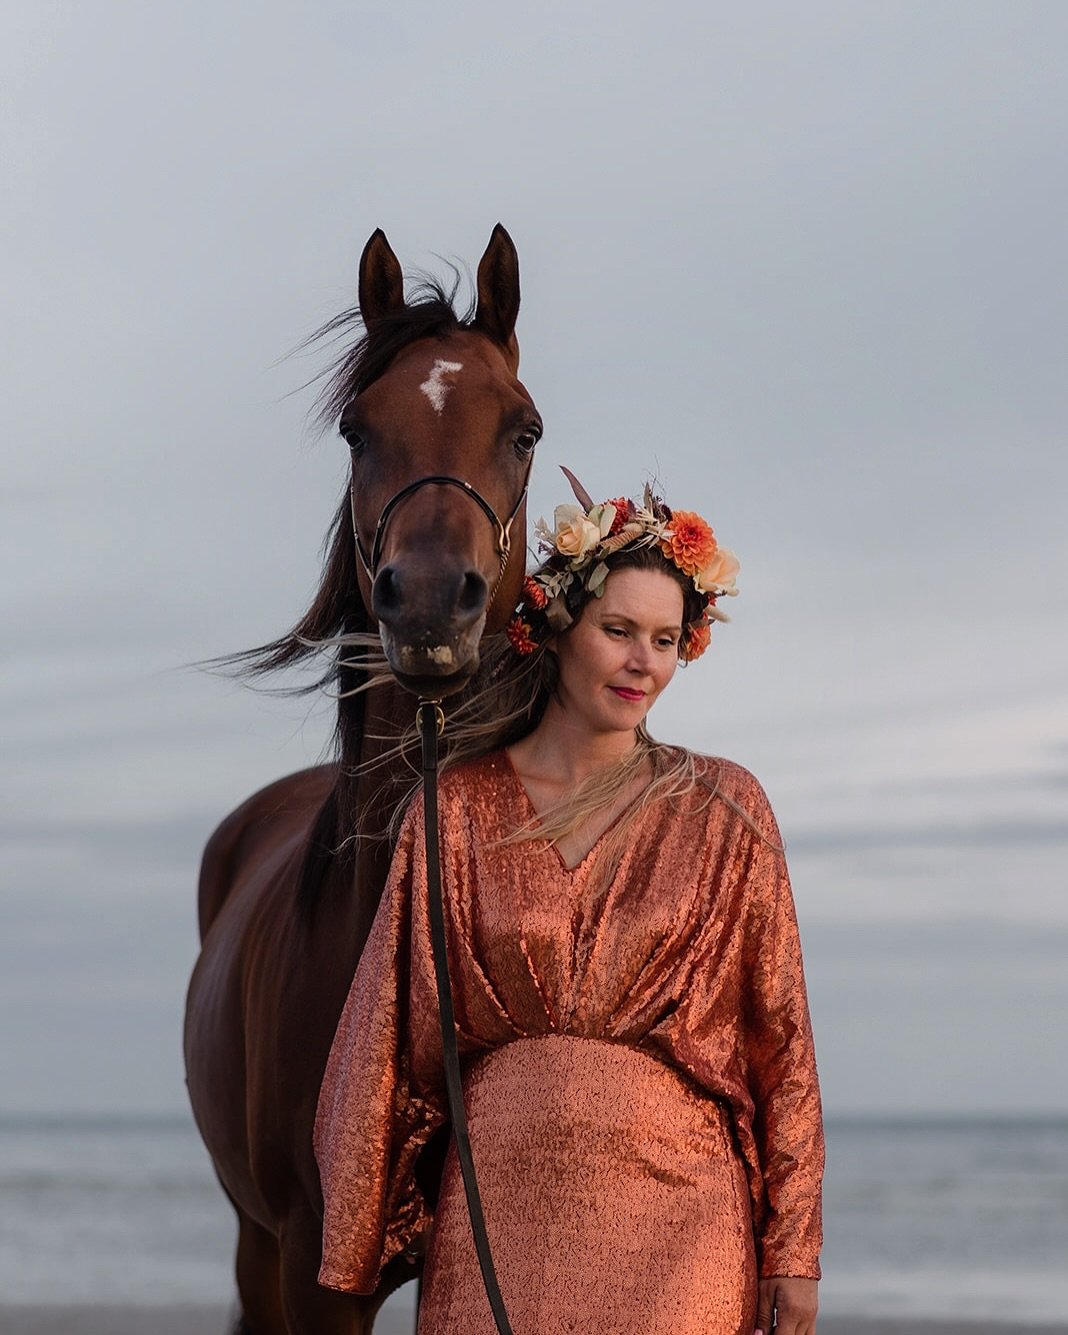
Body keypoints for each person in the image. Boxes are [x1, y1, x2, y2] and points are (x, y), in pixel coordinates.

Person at [314, 478, 824, 1335]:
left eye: (666, 639)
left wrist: (794, 1249)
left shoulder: (728, 807)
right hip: (498, 1216)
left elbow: (785, 1047)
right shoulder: (455, 807)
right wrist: (360, 1233)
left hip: (687, 1223)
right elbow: (387, 1032)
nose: (643, 663)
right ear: (558, 629)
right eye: (618, 630)